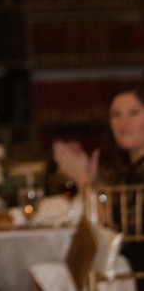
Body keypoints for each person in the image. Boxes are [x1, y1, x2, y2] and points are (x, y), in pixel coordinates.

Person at [52, 80, 144, 289]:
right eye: (115, 115)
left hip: (131, 271)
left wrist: (84, 181)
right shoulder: (127, 168)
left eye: (133, 112)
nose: (123, 122)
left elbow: (114, 234)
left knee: (52, 274)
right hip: (121, 266)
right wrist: (90, 181)